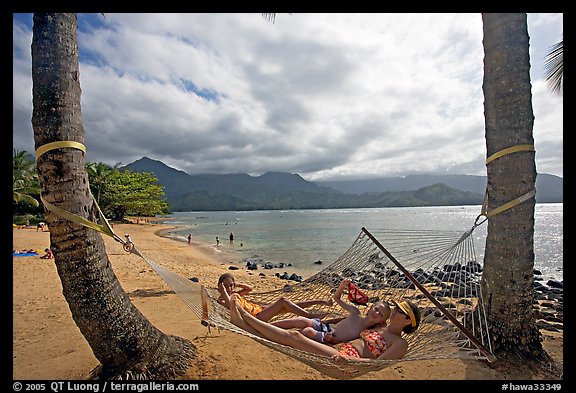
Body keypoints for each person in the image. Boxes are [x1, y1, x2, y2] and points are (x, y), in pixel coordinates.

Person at [229, 296, 420, 361]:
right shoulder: (381, 326)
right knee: (296, 334)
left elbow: (379, 363)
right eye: (396, 309)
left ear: (408, 322)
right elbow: (354, 322)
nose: (394, 312)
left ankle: (245, 320)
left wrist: (353, 363)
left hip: (347, 360)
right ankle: (247, 324)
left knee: (296, 337)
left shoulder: (400, 343)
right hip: (338, 347)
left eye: (400, 312)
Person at [272, 279, 390, 344]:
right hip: (325, 326)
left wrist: (332, 340)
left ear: (382, 321)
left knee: (307, 331)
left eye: (381, 314)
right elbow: (336, 298)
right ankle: (268, 326)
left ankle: (278, 338)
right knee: (302, 320)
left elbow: (347, 343)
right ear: (370, 307)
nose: (376, 313)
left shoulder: (366, 333)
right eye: (376, 309)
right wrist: (342, 286)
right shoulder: (355, 312)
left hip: (329, 337)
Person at [217, 273, 333, 321]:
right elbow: (231, 306)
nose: (229, 288)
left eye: (230, 285)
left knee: (288, 305)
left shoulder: (235, 294)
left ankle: (321, 301)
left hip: (260, 309)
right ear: (220, 286)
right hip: (256, 318)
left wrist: (235, 285)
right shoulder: (223, 300)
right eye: (226, 286)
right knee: (283, 301)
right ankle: (310, 316)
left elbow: (250, 288)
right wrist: (223, 291)